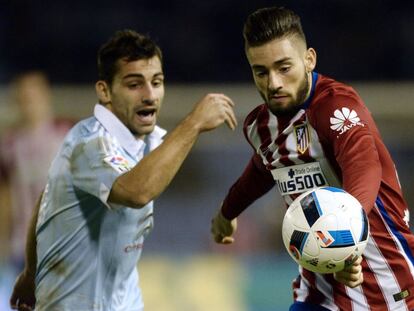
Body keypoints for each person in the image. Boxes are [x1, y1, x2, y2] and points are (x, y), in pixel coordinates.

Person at [10, 29, 237, 311]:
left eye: (157, 82)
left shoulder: (148, 143)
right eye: (134, 84)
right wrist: (193, 123)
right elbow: (137, 191)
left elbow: (45, 200)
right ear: (105, 91)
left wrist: (31, 275)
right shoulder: (90, 143)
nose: (150, 94)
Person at [211, 6, 414, 311]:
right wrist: (227, 213)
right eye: (261, 72)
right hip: (318, 294)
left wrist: (346, 242)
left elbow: (364, 166)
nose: (274, 83)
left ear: (309, 59)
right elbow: (264, 169)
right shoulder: (259, 126)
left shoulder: (336, 106)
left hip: (389, 290)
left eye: (284, 67)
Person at [0, 71, 72, 269]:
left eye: (33, 97)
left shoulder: (67, 134)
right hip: (23, 245)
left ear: (45, 96)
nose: (29, 104)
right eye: (23, 99)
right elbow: (5, 196)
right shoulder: (9, 144)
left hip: (63, 243)